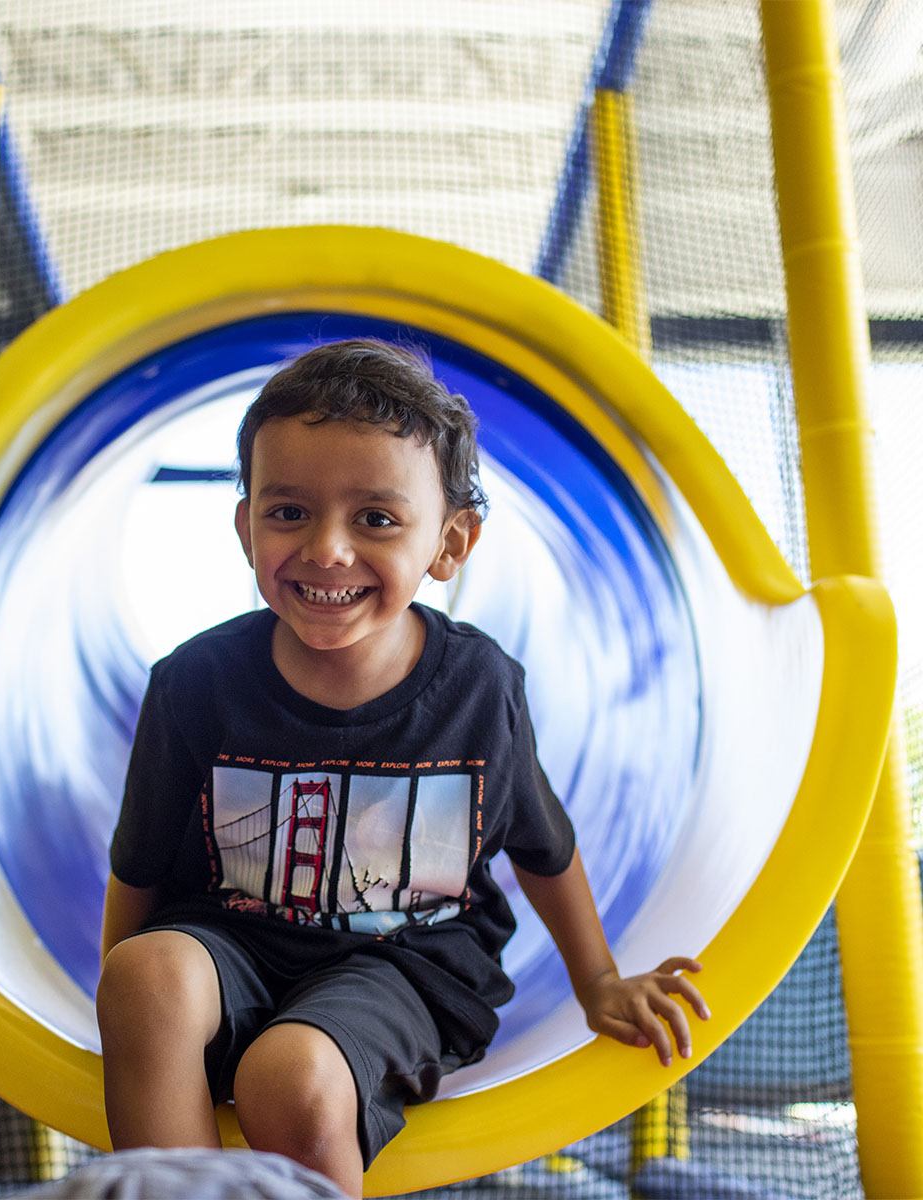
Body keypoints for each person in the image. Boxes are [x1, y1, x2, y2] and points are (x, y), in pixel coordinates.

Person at [97, 338, 709, 1198]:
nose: (328, 550)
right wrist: (130, 1024)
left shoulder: (475, 686)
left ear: (450, 543)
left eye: (377, 519)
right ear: (246, 527)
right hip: (233, 944)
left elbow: (542, 845)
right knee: (143, 977)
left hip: (408, 964)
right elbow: (142, 867)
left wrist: (598, 983)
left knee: (291, 1075)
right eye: (288, 512)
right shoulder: (195, 684)